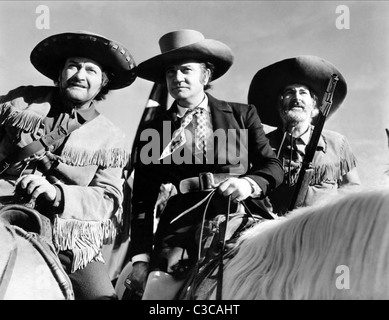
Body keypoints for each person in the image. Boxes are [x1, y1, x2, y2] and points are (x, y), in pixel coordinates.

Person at [126, 29, 284, 298]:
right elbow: (142, 199)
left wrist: (249, 184)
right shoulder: (153, 130)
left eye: (186, 70)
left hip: (242, 218)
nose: (177, 78)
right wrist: (140, 258)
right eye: (170, 71)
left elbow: (272, 166)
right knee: (157, 291)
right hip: (178, 229)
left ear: (205, 75)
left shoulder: (242, 115)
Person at [0, 31, 137, 299]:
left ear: (103, 82)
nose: (79, 75)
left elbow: (108, 199)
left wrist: (56, 194)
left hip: (64, 232)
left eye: (91, 70)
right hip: (1, 202)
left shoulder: (112, 136)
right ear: (60, 72)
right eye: (73, 65)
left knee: (101, 297)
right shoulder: (19, 101)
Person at [248, 55, 361, 215]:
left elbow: (351, 190)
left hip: (327, 230)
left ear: (314, 105)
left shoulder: (337, 143)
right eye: (289, 92)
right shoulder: (263, 145)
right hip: (278, 233)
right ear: (280, 104)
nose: (297, 98)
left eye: (303, 93)